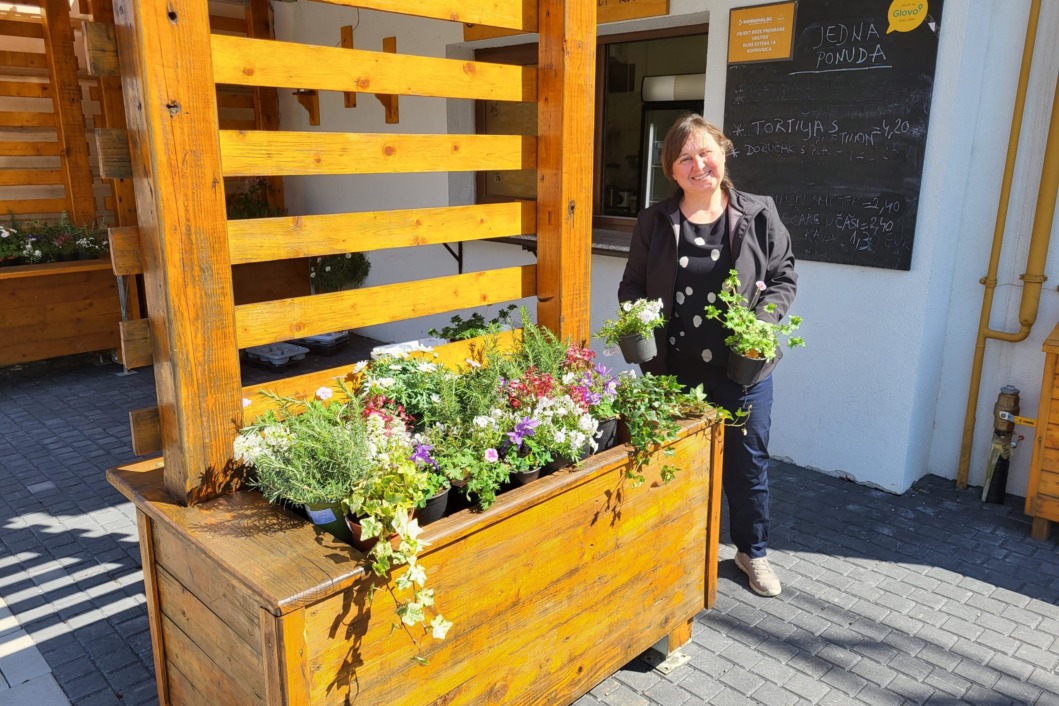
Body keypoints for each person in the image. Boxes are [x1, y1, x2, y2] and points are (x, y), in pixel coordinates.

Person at [618, 114, 797, 597]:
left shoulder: (758, 214)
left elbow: (783, 277)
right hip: (675, 370)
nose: (699, 165)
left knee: (748, 463)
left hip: (744, 370)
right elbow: (632, 286)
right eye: (685, 158)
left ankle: (751, 552)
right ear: (671, 171)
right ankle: (677, 544)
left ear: (723, 152)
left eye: (706, 153)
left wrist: (762, 323)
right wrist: (636, 325)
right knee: (674, 461)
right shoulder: (655, 222)